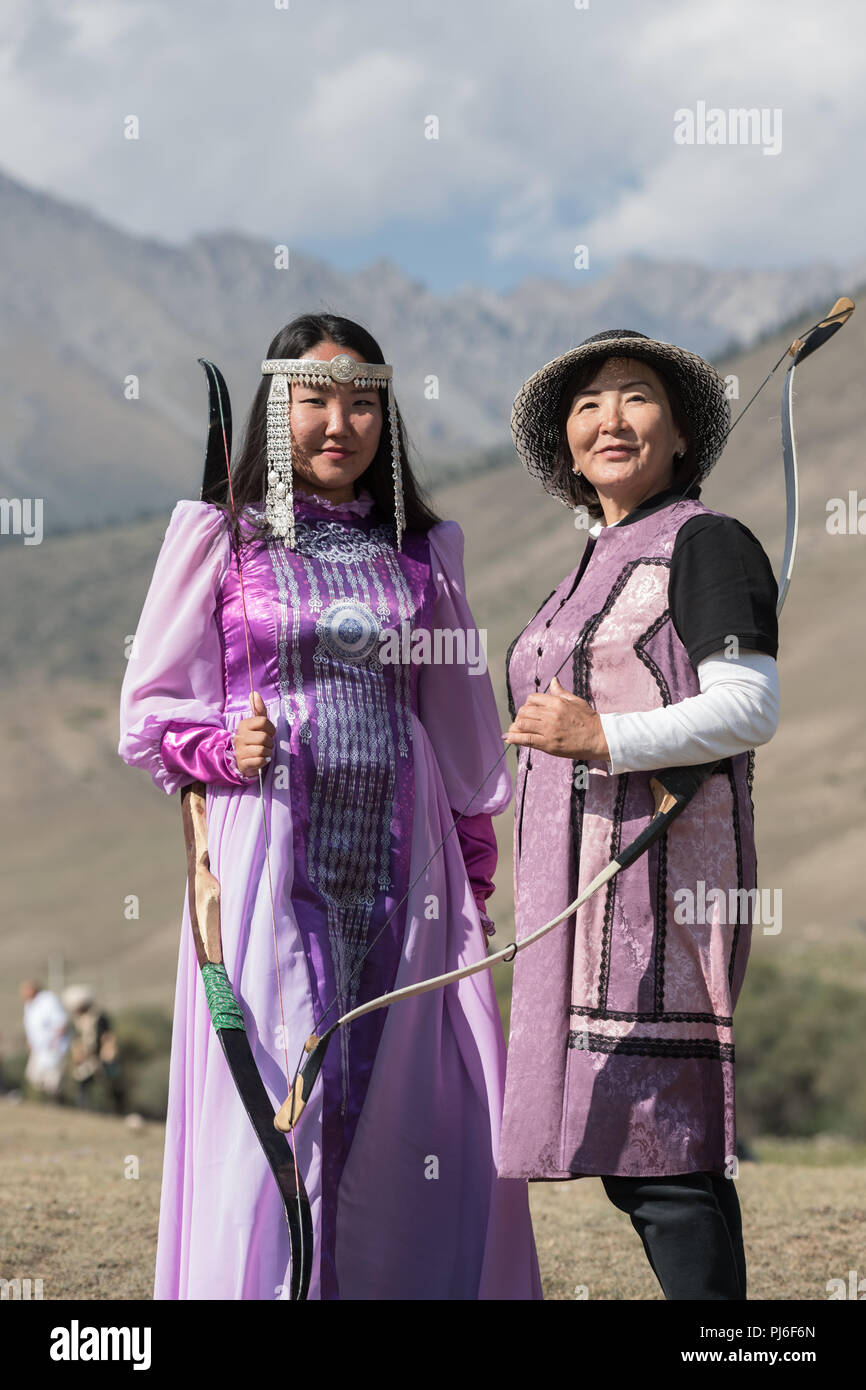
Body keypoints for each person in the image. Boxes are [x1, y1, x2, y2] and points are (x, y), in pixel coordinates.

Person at [118, 312, 541, 1301]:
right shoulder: (221, 539)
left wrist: (470, 884)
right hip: (267, 857)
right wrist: (223, 745)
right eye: (314, 400)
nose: (339, 423)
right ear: (276, 413)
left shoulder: (421, 553)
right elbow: (148, 709)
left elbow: (459, 731)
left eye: (362, 404)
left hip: (409, 865)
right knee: (276, 1100)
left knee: (420, 1106)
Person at [500, 329, 780, 1301]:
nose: (607, 418)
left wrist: (603, 739)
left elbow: (748, 707)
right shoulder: (588, 563)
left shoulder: (705, 543)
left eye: (632, 396)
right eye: (585, 405)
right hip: (575, 899)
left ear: (678, 431)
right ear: (567, 450)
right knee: (639, 1158)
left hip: (655, 893)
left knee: (665, 1157)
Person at [62, 985, 125, 1114]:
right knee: (83, 1084)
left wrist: (107, 1053)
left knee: (110, 1086)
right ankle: (83, 1110)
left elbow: (107, 1036)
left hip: (101, 1057)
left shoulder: (99, 1017)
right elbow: (77, 1039)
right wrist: (78, 1054)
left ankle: (116, 1111)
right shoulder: (77, 1020)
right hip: (85, 1059)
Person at [19, 980, 69, 1102]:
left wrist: (55, 1041)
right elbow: (32, 1027)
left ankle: (56, 1104)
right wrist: (30, 1041)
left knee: (52, 1082)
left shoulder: (48, 1000)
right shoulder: (29, 1005)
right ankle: (45, 1102)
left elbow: (60, 1022)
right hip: (38, 1049)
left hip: (52, 1047)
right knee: (34, 1076)